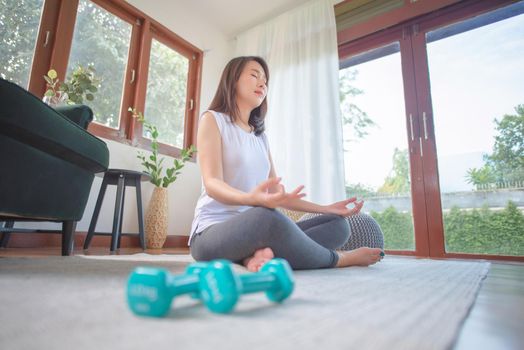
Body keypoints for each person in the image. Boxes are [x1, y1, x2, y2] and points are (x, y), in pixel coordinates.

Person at [189, 56, 384, 272]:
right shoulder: (213, 120)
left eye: (265, 80)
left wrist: (325, 208)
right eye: (254, 75)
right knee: (266, 217)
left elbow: (278, 195)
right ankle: (340, 259)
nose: (262, 83)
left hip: (257, 230)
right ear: (232, 80)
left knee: (337, 225)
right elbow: (212, 184)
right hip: (210, 232)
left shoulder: (260, 137)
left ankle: (254, 256)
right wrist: (251, 199)